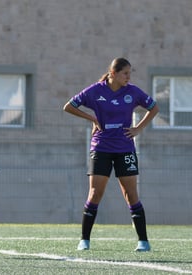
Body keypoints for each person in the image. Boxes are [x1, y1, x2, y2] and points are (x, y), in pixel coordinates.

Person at [63, 57, 159, 252]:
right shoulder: (95, 90)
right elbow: (69, 106)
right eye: (125, 73)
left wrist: (138, 129)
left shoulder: (132, 91)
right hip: (101, 148)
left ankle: (143, 242)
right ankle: (84, 240)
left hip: (125, 148)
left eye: (130, 73)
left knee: (131, 194)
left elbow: (154, 107)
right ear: (113, 73)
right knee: (95, 193)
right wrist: (92, 118)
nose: (128, 77)